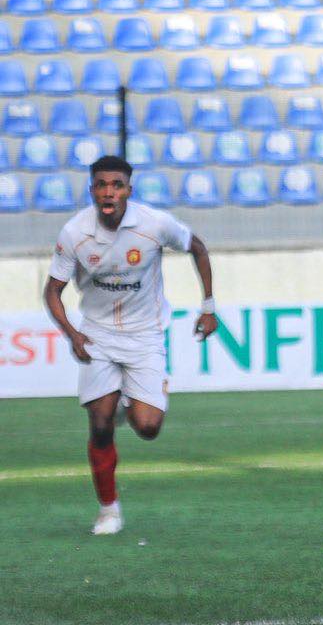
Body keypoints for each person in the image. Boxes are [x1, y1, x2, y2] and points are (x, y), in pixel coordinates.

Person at [43, 155, 217, 536]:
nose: (109, 192)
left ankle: (127, 403)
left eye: (116, 185)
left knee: (148, 427)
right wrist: (73, 334)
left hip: (145, 335)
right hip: (98, 335)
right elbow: (52, 291)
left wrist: (208, 307)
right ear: (92, 190)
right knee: (99, 424)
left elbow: (199, 248)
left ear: (128, 191)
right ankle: (109, 511)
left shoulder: (154, 224)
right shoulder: (74, 233)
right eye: (101, 185)